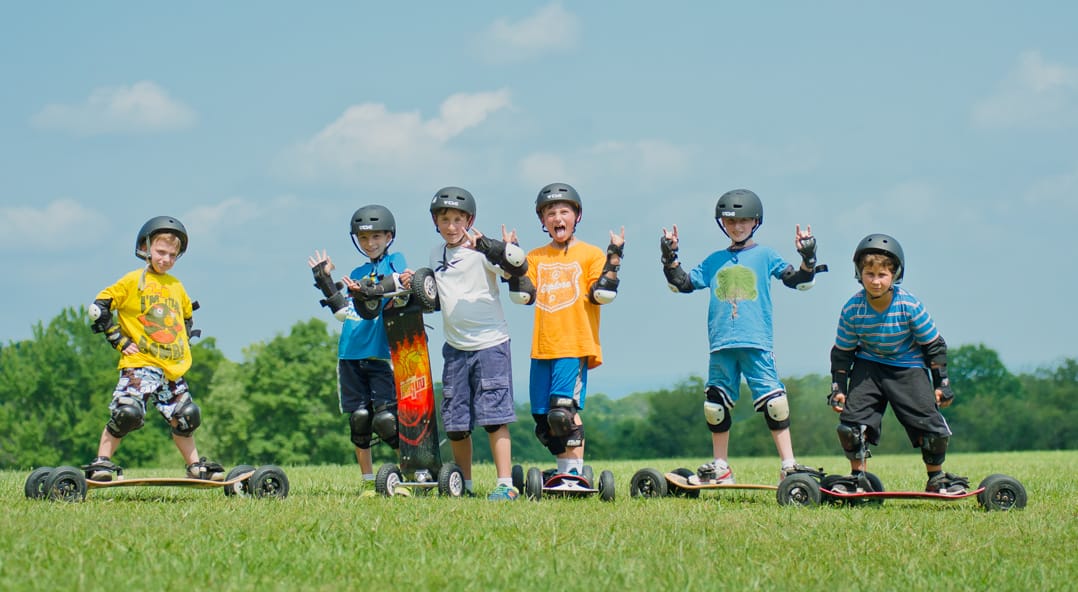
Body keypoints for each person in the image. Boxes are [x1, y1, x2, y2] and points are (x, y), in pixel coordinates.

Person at [660, 188, 823, 485]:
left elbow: (797, 281)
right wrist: (669, 256)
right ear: (722, 223)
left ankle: (789, 464)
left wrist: (808, 257)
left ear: (755, 222)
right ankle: (721, 467)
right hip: (721, 344)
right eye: (731, 221)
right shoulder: (714, 260)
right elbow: (682, 284)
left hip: (756, 341)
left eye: (744, 221)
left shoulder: (765, 255)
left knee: (774, 402)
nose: (737, 227)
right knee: (715, 405)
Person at [400, 186, 525, 501]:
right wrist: (415, 282)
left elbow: (513, 269)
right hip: (455, 347)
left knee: (494, 418)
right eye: (445, 219)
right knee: (456, 422)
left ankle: (505, 484)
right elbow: (439, 296)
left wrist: (501, 247)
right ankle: (464, 485)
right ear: (436, 222)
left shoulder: (483, 251)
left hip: (490, 344)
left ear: (469, 220)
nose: (452, 226)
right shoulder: (436, 254)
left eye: (458, 219)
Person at [84, 216, 224, 482]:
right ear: (146, 248)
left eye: (173, 254)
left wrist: (181, 344)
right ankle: (102, 463)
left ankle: (195, 467)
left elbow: (185, 318)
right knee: (127, 413)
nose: (166, 259)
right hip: (139, 365)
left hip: (171, 368)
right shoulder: (132, 281)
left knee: (186, 417)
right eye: (161, 252)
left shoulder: (176, 286)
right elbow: (98, 308)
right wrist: (118, 339)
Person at [827, 233, 968, 494]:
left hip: (908, 367)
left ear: (895, 275)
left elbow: (933, 346)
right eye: (869, 274)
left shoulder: (908, 305)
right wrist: (839, 388)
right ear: (859, 273)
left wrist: (942, 384)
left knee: (929, 426)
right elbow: (842, 353)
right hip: (869, 365)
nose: (876, 281)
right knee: (851, 425)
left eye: (882, 275)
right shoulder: (852, 309)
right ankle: (858, 478)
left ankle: (936, 479)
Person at [511, 182, 624, 479]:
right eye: (551, 213)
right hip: (542, 347)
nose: (558, 218)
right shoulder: (535, 257)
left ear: (577, 217)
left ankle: (573, 474)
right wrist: (510, 258)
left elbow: (601, 291)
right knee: (543, 421)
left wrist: (614, 257)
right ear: (543, 221)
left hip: (574, 345)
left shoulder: (590, 254)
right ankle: (563, 472)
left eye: (564, 212)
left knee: (563, 412)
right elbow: (525, 294)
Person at [308, 205, 404, 491]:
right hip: (349, 353)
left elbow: (398, 284)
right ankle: (367, 480)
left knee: (387, 420)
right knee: (360, 419)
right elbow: (342, 313)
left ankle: (411, 470)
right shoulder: (356, 272)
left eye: (376, 236)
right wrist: (325, 282)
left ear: (388, 236)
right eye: (363, 238)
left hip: (380, 353)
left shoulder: (395, 261)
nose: (370, 243)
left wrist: (369, 290)